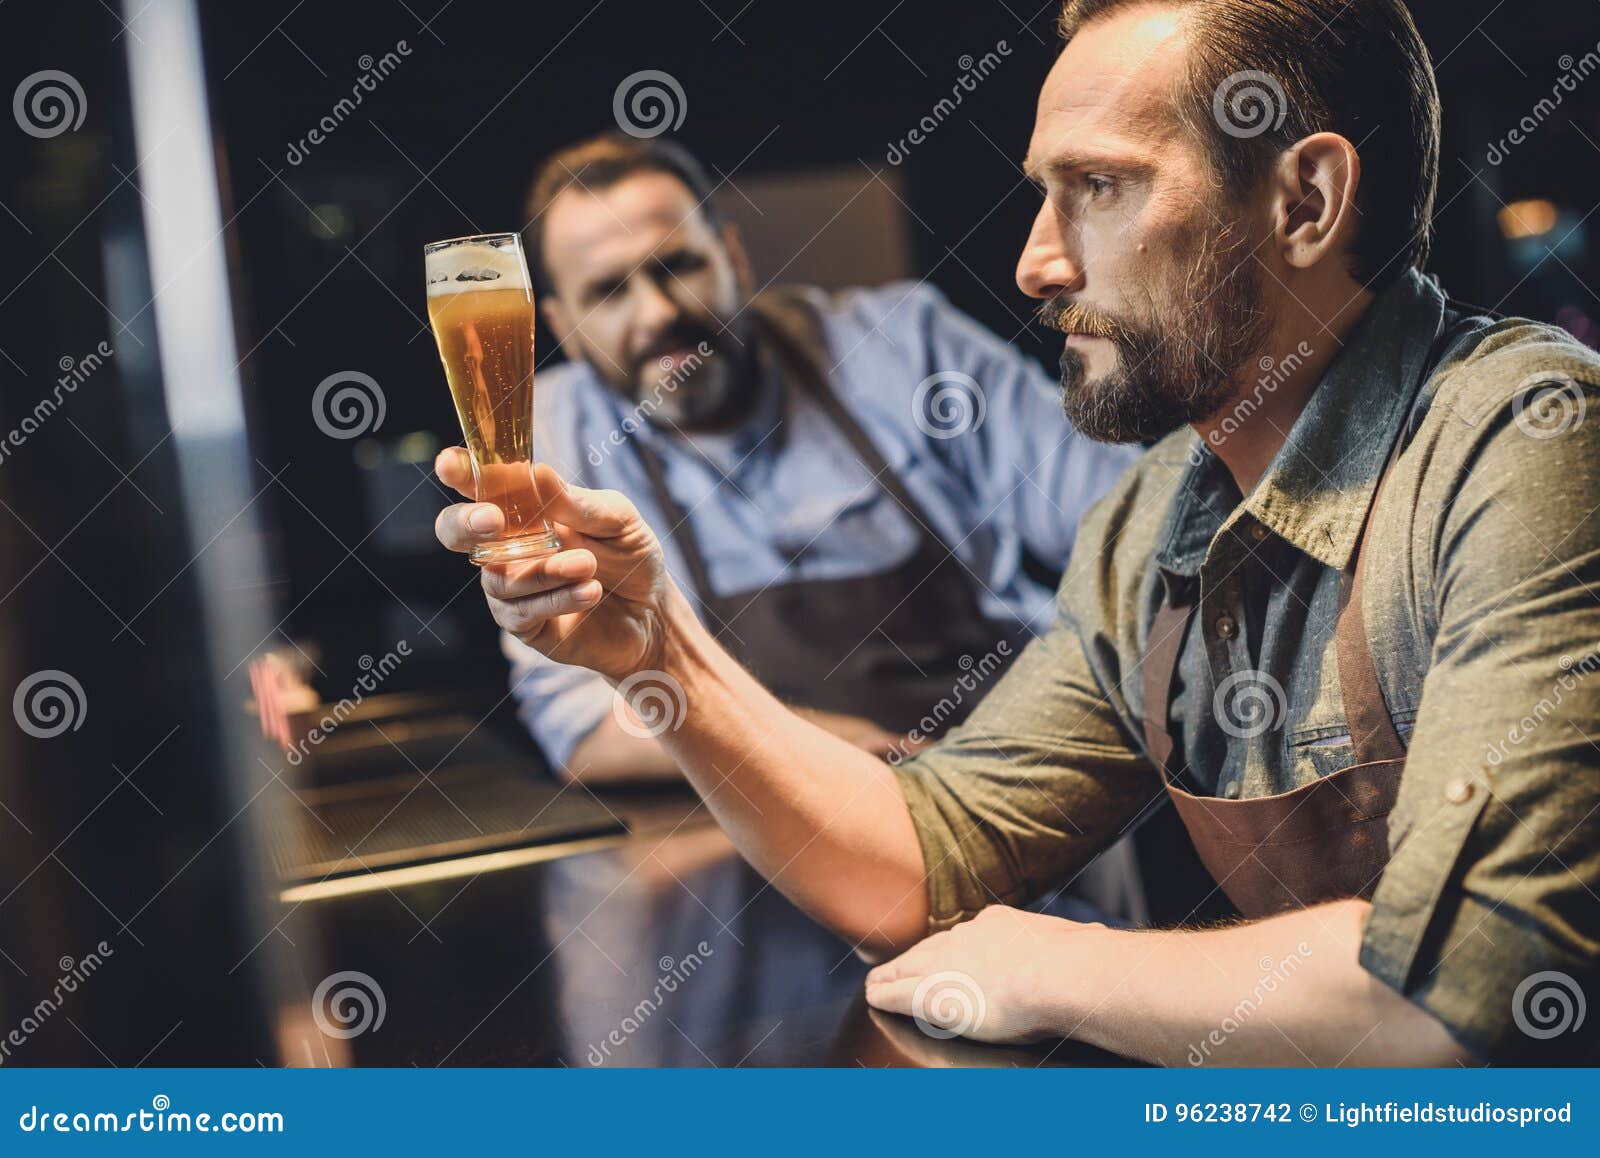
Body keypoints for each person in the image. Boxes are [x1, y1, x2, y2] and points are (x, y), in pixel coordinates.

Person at [435, 0, 1600, 1065]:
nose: (1036, 262)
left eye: (1100, 186)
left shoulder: (1530, 441)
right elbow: (922, 854)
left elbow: (1471, 991)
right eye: (1047, 192)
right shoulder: (1156, 519)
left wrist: (1055, 963)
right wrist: (660, 655)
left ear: (1302, 202)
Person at [504, 133, 1138, 784]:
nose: (659, 312)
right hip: (784, 839)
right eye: (610, 292)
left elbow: (1131, 534)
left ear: (734, 260)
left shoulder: (907, 345)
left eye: (679, 267)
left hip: (1030, 779)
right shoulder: (556, 436)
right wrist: (833, 753)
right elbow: (581, 729)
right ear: (563, 328)